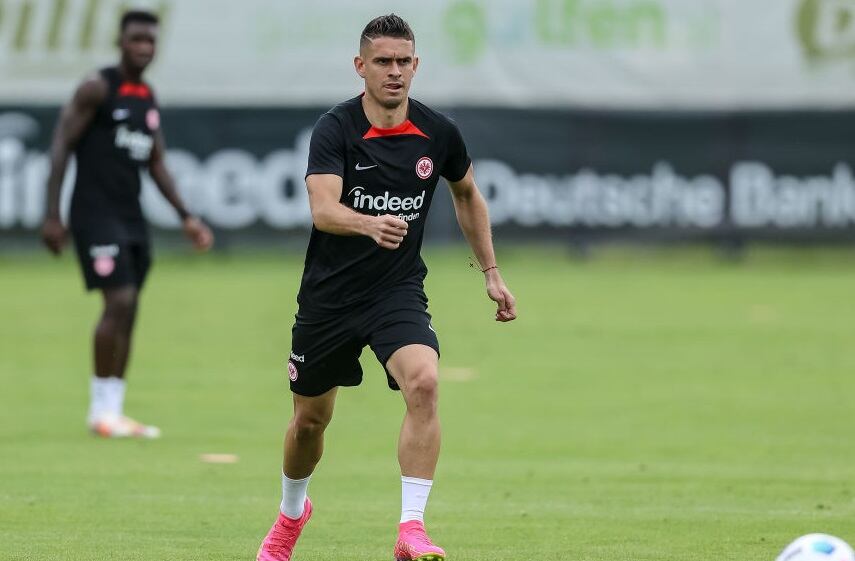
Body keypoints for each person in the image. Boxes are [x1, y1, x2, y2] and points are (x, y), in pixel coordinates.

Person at [256, 14, 516, 561]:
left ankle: (411, 529)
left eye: (403, 61)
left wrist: (491, 272)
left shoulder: (438, 133)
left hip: (394, 292)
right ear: (361, 66)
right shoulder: (335, 128)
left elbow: (467, 193)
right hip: (329, 298)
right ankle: (291, 514)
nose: (394, 72)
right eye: (382, 62)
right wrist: (368, 224)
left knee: (424, 381)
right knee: (310, 422)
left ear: (416, 65)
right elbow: (323, 209)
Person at [40, 10, 213, 439]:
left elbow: (156, 162)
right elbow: (61, 144)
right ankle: (99, 411)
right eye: (136, 39)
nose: (144, 47)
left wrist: (186, 217)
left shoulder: (145, 96)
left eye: (150, 40)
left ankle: (112, 412)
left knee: (130, 307)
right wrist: (52, 213)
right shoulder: (97, 88)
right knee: (118, 300)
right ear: (120, 42)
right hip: (93, 214)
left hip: (131, 216)